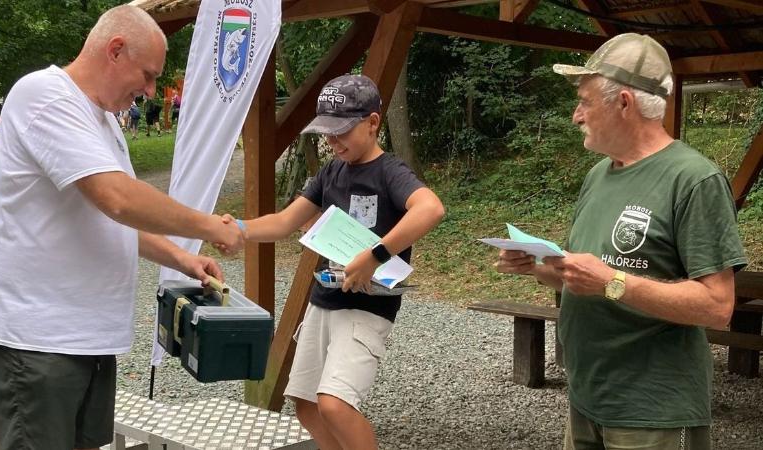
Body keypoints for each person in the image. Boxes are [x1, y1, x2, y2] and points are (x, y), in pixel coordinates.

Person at [0, 6, 244, 450]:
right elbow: (116, 198)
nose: (151, 90)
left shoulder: (101, 119)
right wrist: (209, 224)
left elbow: (111, 217)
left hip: (86, 340)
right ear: (115, 50)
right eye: (149, 74)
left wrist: (183, 257)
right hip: (39, 342)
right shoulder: (44, 95)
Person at [495, 34, 747, 450]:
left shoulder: (694, 180)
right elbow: (587, 280)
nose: (576, 115)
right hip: (587, 400)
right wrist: (538, 268)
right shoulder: (599, 175)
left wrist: (614, 282)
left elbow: (718, 307)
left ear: (625, 103)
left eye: (585, 101)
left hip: (653, 412)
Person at [223, 74, 445, 450]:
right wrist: (239, 228)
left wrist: (374, 256)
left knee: (336, 404)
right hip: (323, 301)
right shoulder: (331, 172)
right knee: (307, 404)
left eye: (341, 131)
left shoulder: (390, 172)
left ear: (373, 123)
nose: (332, 141)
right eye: (326, 132)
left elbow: (431, 208)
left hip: (366, 307)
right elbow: (284, 222)